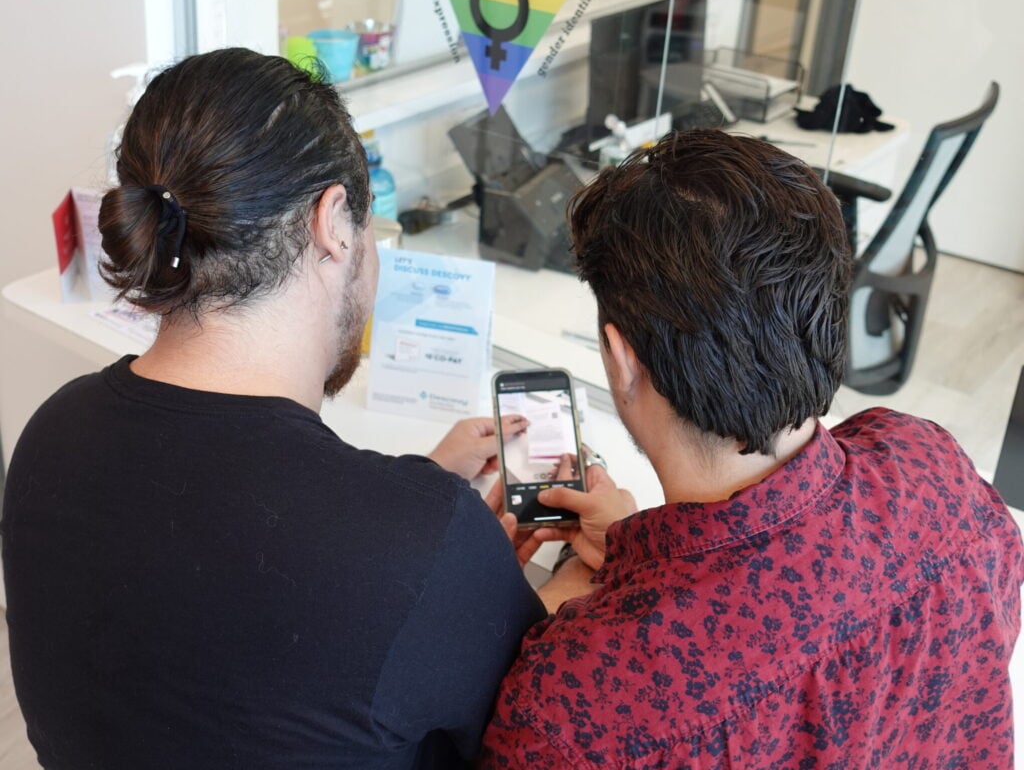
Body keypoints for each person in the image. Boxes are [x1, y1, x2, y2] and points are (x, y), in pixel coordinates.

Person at [0, 48, 579, 770]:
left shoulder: (52, 435)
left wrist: (415, 514)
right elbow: (544, 725)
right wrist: (570, 583)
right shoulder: (413, 545)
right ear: (334, 222)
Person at [480, 130, 1024, 768]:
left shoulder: (583, 696)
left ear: (621, 357)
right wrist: (632, 558)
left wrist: (512, 600)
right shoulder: (932, 468)